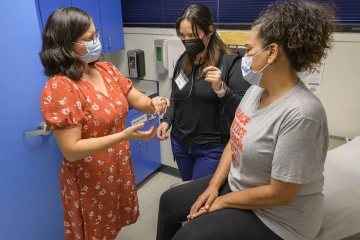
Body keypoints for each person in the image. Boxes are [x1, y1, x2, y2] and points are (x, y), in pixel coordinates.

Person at [157, 0, 335, 239]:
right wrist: (212, 186)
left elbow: (281, 194)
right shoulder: (256, 91)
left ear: (272, 52)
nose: (245, 56)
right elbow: (235, 139)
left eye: (250, 50)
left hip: (278, 218)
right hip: (241, 184)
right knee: (169, 201)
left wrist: (222, 201)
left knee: (187, 236)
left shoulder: (302, 114)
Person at [39, 7, 169, 240]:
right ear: (66, 45)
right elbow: (71, 150)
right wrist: (124, 136)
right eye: (89, 39)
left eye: (96, 35)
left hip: (115, 168)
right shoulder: (61, 87)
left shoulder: (105, 69)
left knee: (111, 228)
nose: (96, 42)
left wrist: (153, 104)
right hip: (89, 178)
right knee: (93, 233)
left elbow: (133, 96)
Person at [156, 4, 250, 181]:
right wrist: (167, 121)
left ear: (209, 31)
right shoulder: (183, 60)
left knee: (199, 197)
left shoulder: (231, 62)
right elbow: (176, 96)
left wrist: (221, 89)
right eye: (182, 35)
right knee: (187, 187)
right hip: (181, 143)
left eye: (192, 35)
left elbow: (242, 111)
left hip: (211, 148)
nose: (187, 40)